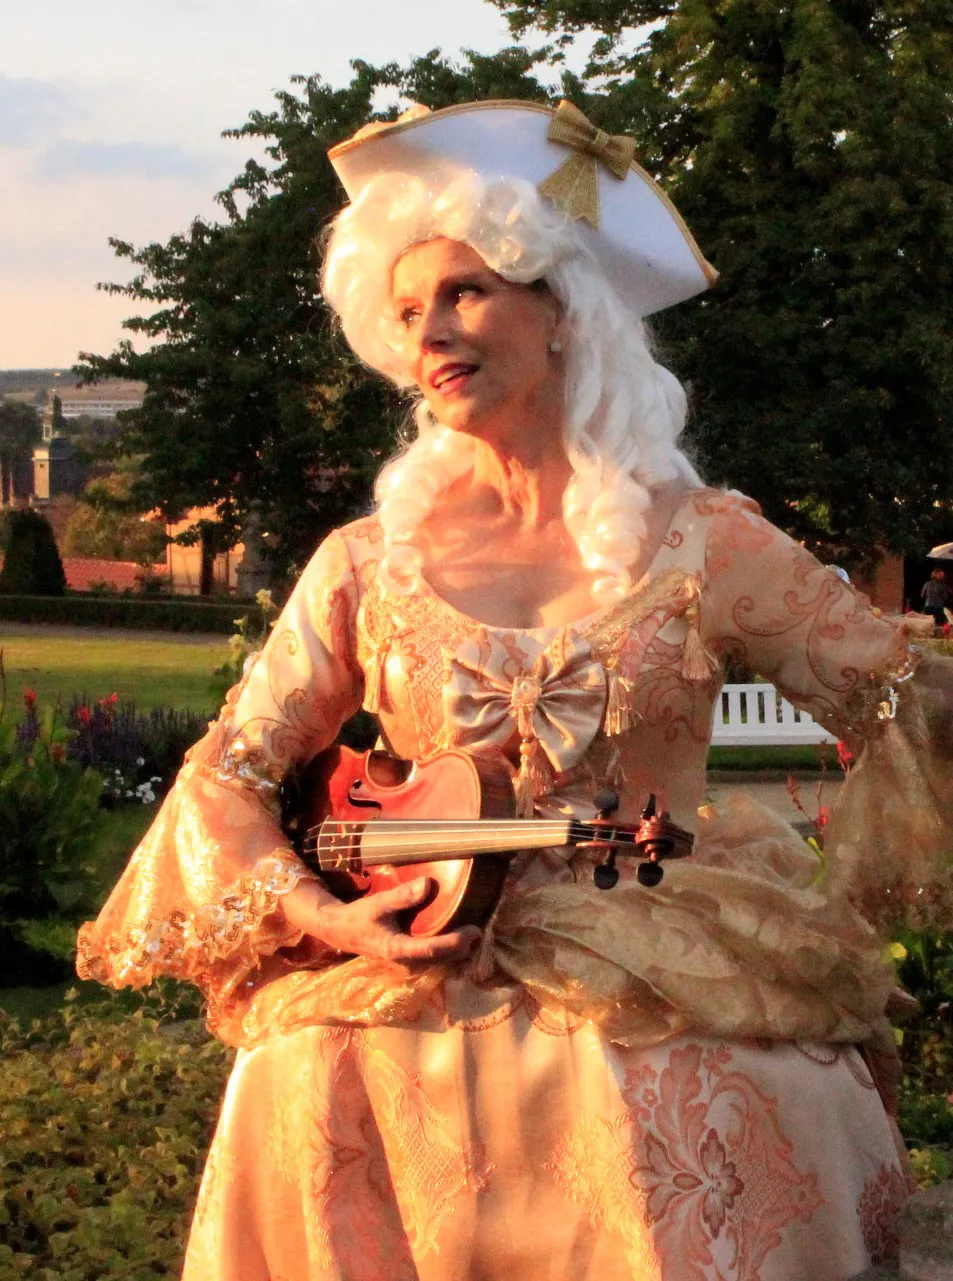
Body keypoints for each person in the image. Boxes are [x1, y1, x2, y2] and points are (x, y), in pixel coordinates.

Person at [79, 100, 953, 1280]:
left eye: (465, 292)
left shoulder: (704, 545)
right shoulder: (364, 562)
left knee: (657, 1080)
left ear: (562, 314)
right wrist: (321, 912)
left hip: (658, 943)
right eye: (403, 312)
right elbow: (228, 773)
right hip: (416, 950)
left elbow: (901, 695)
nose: (426, 333)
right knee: (298, 1069)